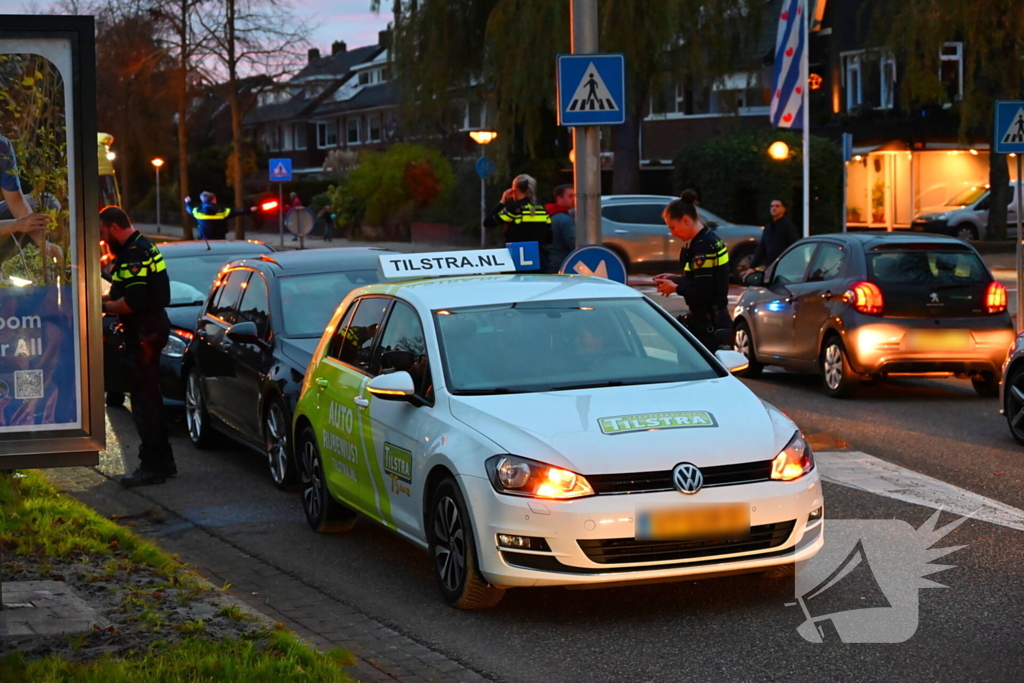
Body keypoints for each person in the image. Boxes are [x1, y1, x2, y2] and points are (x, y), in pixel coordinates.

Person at [99, 206, 175, 487]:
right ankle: (164, 462)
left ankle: (151, 466)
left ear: (114, 228)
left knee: (144, 402)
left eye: (103, 232)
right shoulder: (143, 247)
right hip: (150, 329)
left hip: (144, 333)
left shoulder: (133, 254)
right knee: (150, 397)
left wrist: (97, 306)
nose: (103, 238)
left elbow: (131, 303)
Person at [654, 199, 731, 350]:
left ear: (686, 220)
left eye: (673, 227)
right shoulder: (709, 239)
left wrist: (675, 288)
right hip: (716, 321)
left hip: (707, 326)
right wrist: (676, 279)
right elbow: (704, 279)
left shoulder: (703, 247)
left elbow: (703, 293)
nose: (672, 233)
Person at [0, 134, 57, 267]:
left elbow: (17, 202)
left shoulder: (3, 147)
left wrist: (44, 244)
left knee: (47, 202)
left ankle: (18, 266)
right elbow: (18, 223)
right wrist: (15, 225)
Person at [483, 174, 552, 271]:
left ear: (513, 190)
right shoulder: (541, 209)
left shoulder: (514, 209)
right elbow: (549, 237)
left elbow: (488, 222)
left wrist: (502, 202)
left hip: (516, 260)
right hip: (538, 259)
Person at [746, 198, 799, 276]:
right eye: (772, 206)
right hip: (771, 267)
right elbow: (762, 247)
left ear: (783, 209)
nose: (774, 208)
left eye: (777, 206)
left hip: (785, 268)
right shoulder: (768, 227)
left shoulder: (788, 227)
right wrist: (752, 267)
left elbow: (794, 246)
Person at [184, 191, 256, 240]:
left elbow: (189, 209)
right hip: (220, 239)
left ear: (203, 201)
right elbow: (236, 211)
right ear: (214, 200)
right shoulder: (223, 211)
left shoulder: (197, 212)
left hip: (205, 240)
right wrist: (250, 209)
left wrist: (188, 202)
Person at [545, 184, 576, 273]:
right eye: (570, 196)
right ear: (559, 199)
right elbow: (572, 243)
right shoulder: (565, 219)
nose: (574, 199)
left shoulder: (547, 215)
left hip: (549, 262)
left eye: (575, 195)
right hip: (562, 263)